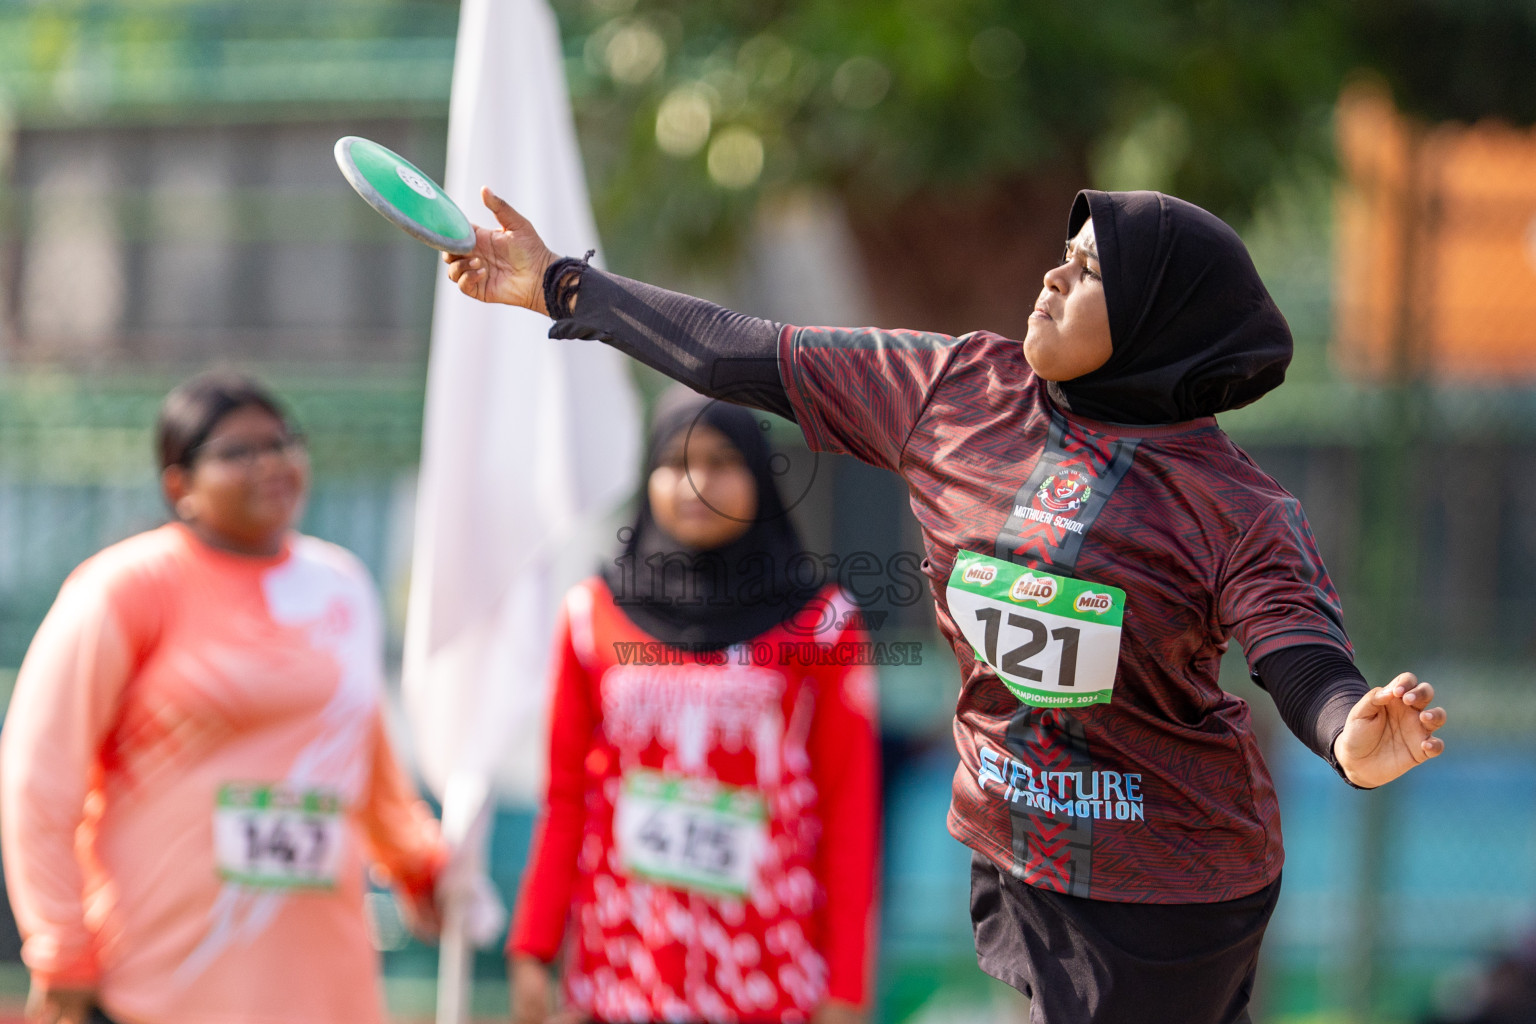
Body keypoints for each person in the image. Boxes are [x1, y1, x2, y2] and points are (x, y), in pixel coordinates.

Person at [443, 187, 1448, 1024]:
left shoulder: (1228, 500)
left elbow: (1298, 648)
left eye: (1092, 271)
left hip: (1168, 882)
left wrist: (1350, 735)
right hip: (1017, 847)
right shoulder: (958, 388)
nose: (1054, 276)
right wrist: (558, 285)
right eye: (1063, 255)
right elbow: (738, 352)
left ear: (1159, 319)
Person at [0, 372, 449, 1024]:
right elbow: (39, 776)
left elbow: (363, 750)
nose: (271, 462)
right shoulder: (126, 588)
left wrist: (418, 862)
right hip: (160, 980)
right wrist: (58, 941)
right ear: (178, 484)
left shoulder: (340, 585)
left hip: (316, 979)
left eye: (283, 442)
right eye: (238, 451)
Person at [507, 387, 880, 1024]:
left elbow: (849, 807)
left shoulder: (822, 622)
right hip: (623, 962)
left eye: (721, 462)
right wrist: (533, 946)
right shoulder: (591, 614)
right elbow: (565, 794)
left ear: (760, 475)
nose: (696, 483)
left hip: (771, 969)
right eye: (675, 464)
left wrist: (845, 984)